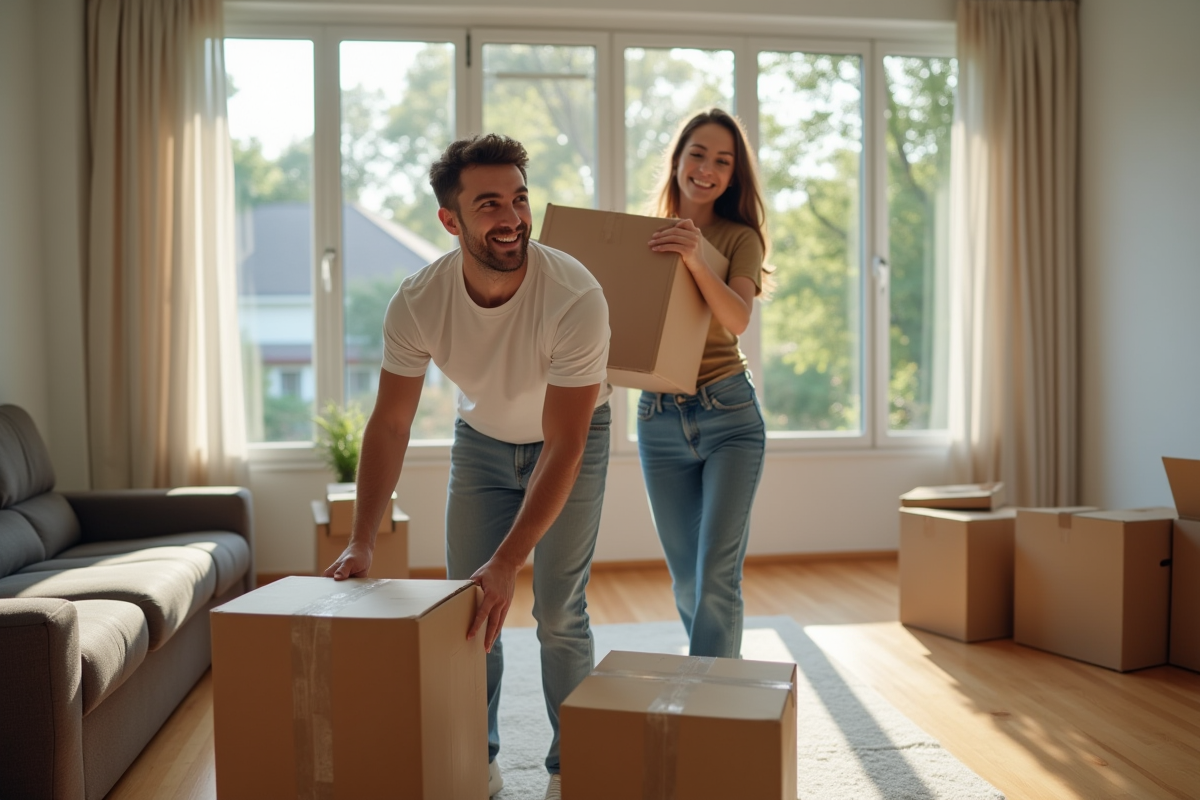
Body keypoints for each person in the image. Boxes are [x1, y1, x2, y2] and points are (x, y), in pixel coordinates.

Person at [324, 133, 611, 800]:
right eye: (489, 204)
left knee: (560, 611)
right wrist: (364, 537)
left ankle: (572, 769)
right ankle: (475, 761)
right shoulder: (419, 300)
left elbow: (564, 442)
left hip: (570, 439)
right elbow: (390, 423)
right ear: (450, 220)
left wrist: (510, 560)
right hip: (480, 441)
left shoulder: (576, 295)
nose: (512, 218)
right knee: (468, 608)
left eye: (519, 198)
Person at [638, 108, 770, 660]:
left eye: (723, 161)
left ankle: (713, 701)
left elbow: (737, 318)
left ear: (733, 175)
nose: (707, 169)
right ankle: (718, 679)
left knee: (717, 577)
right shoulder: (644, 234)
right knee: (687, 583)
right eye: (698, 154)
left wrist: (694, 258)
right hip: (658, 418)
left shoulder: (740, 238)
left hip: (729, 415)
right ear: (678, 159)